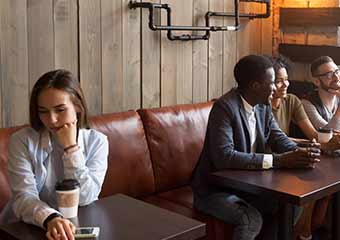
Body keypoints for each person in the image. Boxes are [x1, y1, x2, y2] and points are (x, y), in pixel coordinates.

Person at [191, 55, 321, 240]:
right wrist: (278, 160)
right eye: (272, 82)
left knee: (292, 206)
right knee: (251, 219)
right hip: (215, 190)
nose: (275, 87)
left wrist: (300, 153)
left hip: (249, 187)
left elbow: (278, 138)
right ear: (255, 86)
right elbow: (224, 157)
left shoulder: (262, 105)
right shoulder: (225, 108)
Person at [0, 69, 109, 240]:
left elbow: (87, 197)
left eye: (60, 110)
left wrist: (71, 148)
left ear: (78, 107)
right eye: (43, 111)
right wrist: (51, 218)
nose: (51, 119)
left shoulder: (98, 142)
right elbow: (23, 196)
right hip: (25, 227)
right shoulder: (21, 141)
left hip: (73, 227)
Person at [269, 56, 317, 141]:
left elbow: (313, 135)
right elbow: (273, 139)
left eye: (286, 79)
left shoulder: (291, 100)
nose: (286, 84)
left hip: (288, 150)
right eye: (278, 81)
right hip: (267, 153)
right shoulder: (260, 105)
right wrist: (308, 143)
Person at [302, 56, 340, 131]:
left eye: (337, 72)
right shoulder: (306, 104)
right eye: (329, 75)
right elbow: (328, 134)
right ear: (317, 81)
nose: (337, 78)